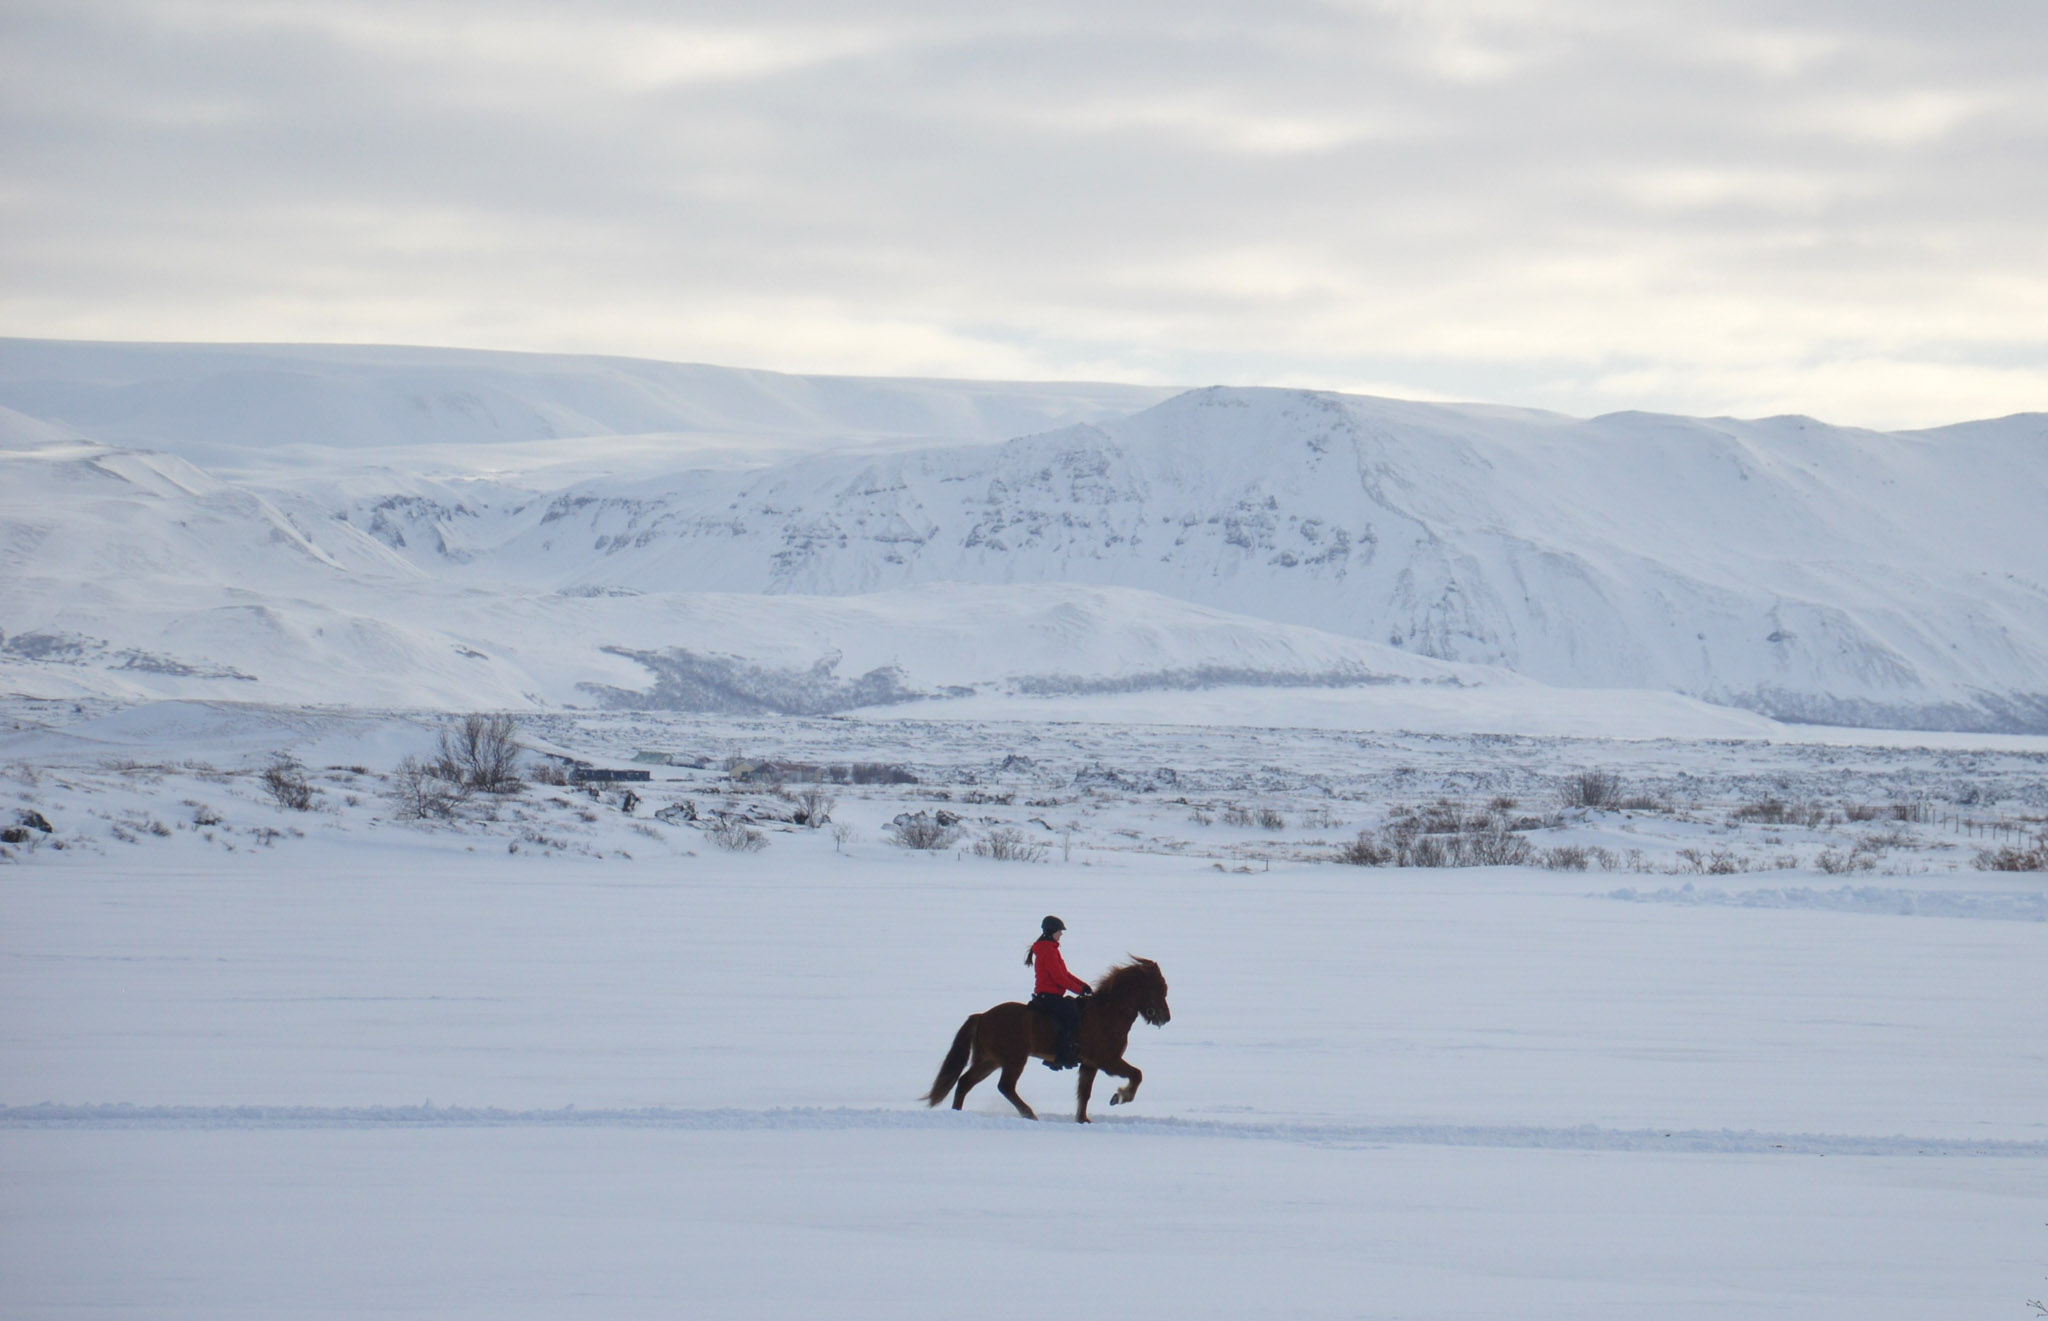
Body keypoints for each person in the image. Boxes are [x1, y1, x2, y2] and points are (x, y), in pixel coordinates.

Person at [1026, 915, 1091, 1070]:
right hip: (1048, 996)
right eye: (1059, 931)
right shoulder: (1047, 950)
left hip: (1052, 995)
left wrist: (1083, 986)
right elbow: (1059, 978)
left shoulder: (1051, 948)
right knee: (1072, 1016)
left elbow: (1065, 974)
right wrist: (1078, 990)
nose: (1061, 934)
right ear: (1051, 932)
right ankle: (1061, 1056)